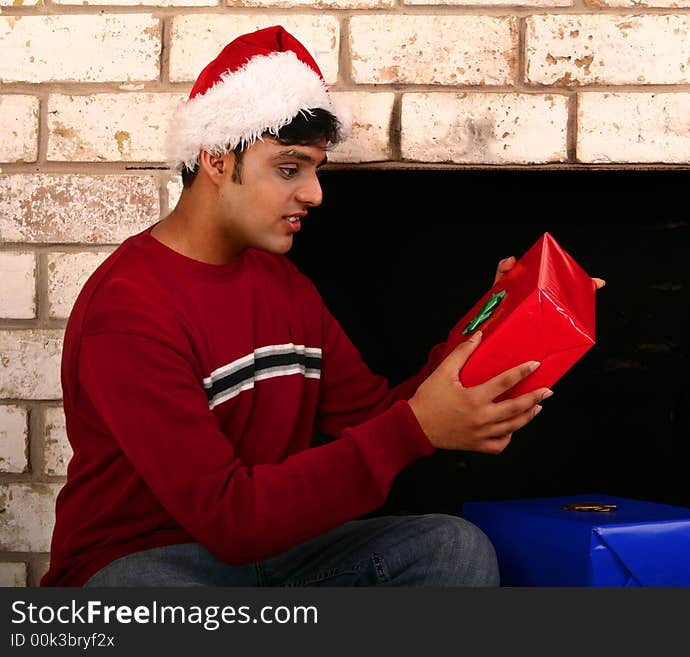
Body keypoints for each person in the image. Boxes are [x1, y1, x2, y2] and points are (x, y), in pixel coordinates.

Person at [41, 26, 606, 588]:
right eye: (289, 169)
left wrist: (491, 322)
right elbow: (230, 520)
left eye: (315, 169)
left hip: (274, 555)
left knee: (452, 548)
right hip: (150, 564)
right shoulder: (130, 309)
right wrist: (417, 428)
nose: (314, 193)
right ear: (216, 160)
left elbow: (374, 419)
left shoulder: (284, 286)